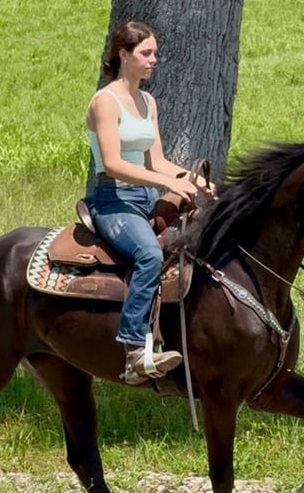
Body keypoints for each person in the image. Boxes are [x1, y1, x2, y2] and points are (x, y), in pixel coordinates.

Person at [85, 20, 215, 385]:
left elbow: (156, 161)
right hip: (113, 200)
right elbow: (113, 163)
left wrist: (195, 181)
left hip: (144, 197)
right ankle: (133, 352)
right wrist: (165, 183)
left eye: (155, 53)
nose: (154, 59)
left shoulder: (147, 101)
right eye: (146, 53)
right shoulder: (105, 102)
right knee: (149, 255)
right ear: (123, 55)